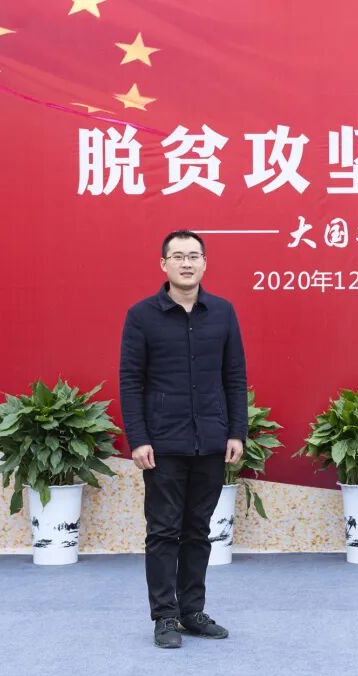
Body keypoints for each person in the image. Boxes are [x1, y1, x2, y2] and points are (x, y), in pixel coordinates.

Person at [119, 230, 247, 649]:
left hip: (210, 440)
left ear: (205, 263)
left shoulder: (223, 312)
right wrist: (138, 438)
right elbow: (130, 381)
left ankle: (192, 611)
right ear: (164, 265)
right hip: (162, 444)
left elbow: (234, 377)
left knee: (197, 530)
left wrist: (236, 431)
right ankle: (165, 617)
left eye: (194, 256)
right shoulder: (142, 315)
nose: (186, 263)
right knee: (162, 531)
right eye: (178, 256)